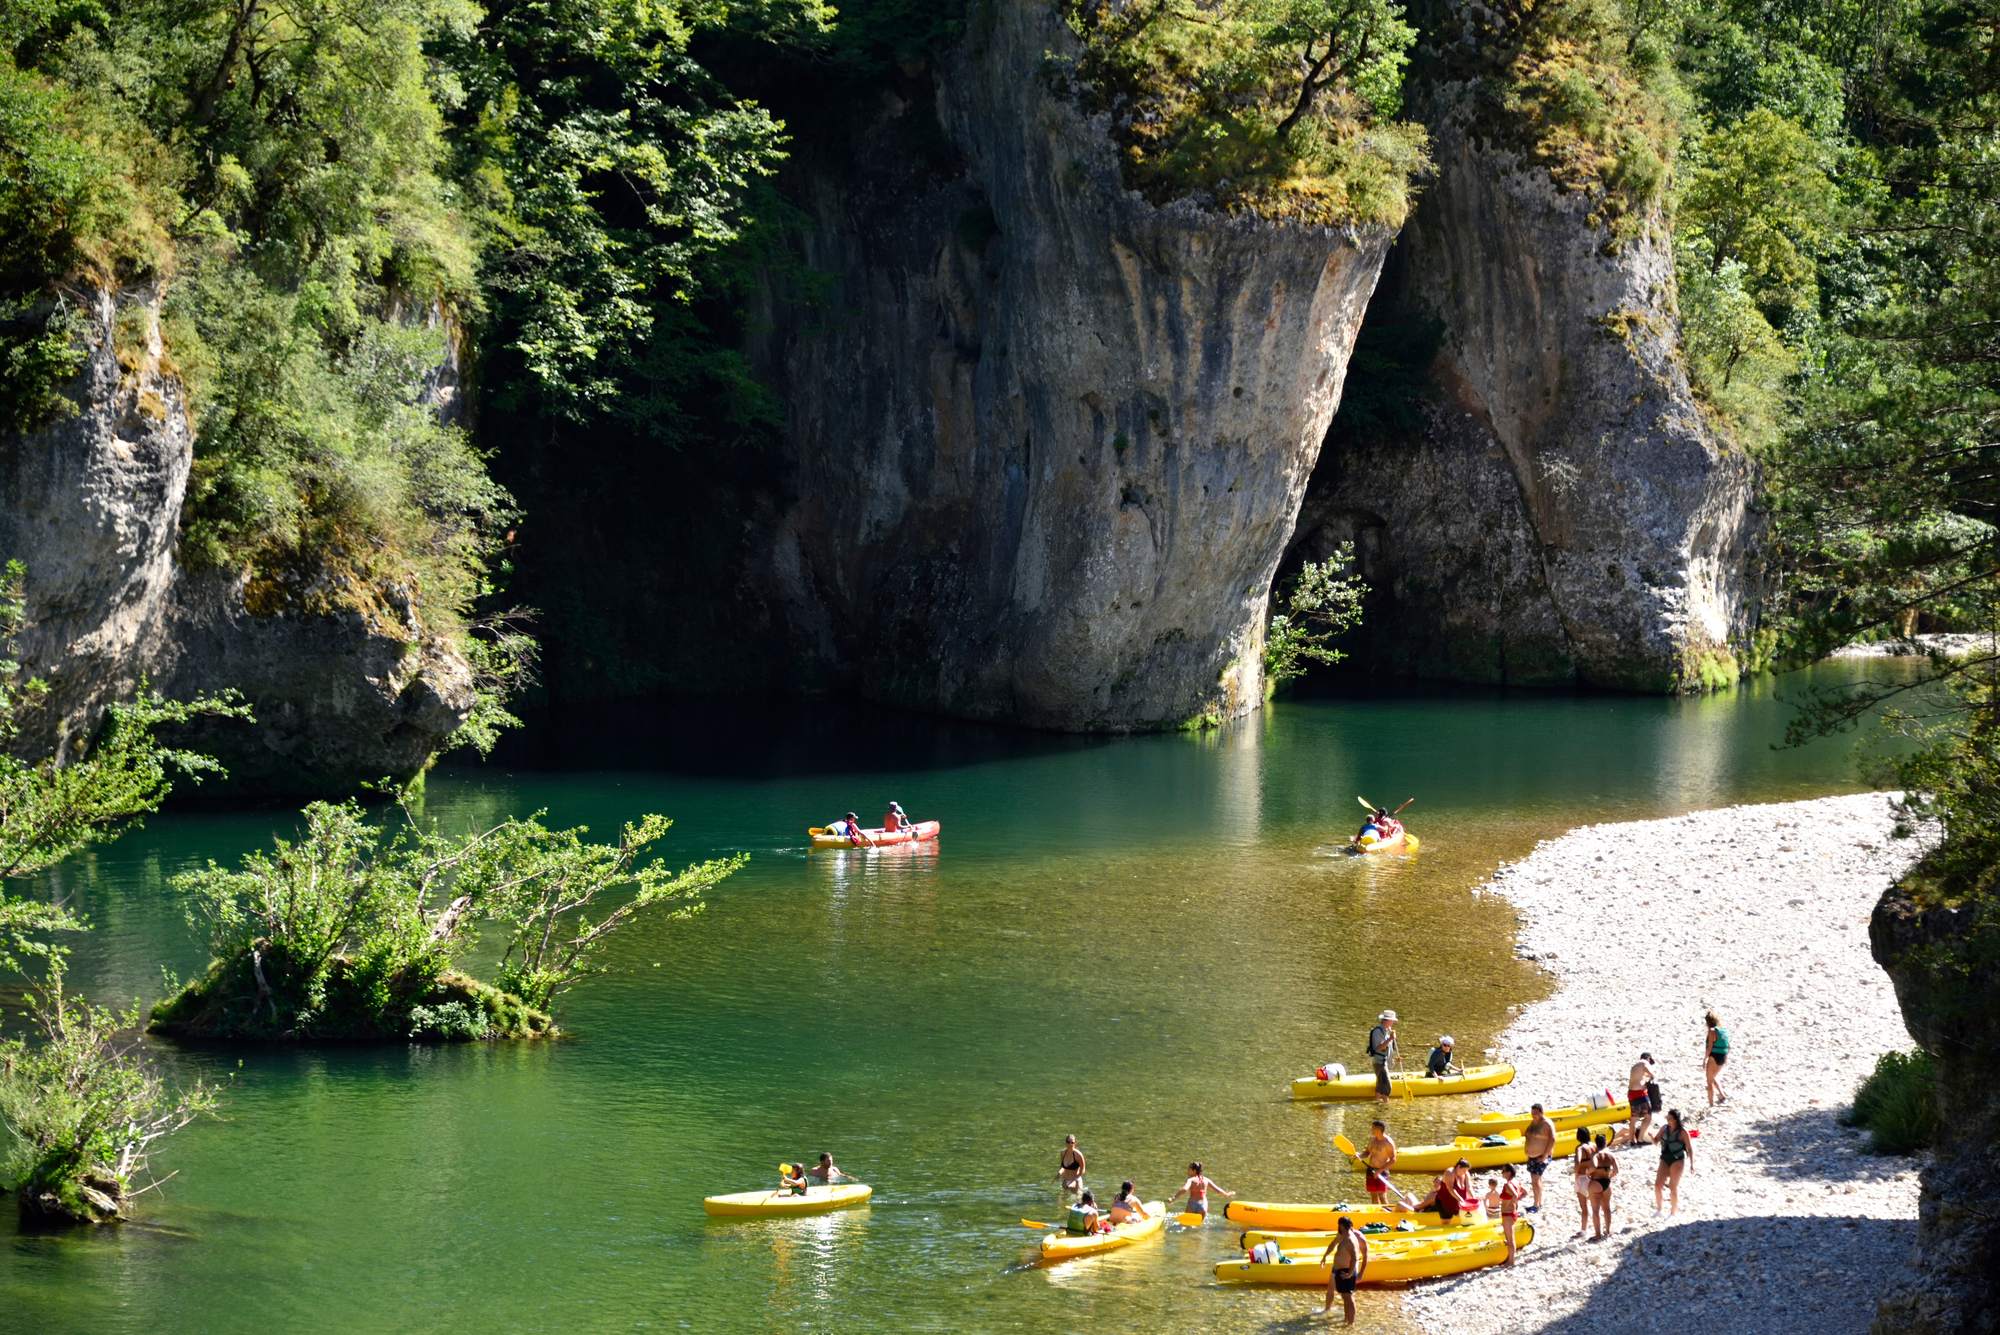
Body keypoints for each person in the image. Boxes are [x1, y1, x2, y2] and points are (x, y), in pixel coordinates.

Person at [1318, 1215, 1370, 1325]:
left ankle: (1350, 1323)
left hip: (1347, 1270)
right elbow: (1333, 1243)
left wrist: (1358, 1273)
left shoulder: (1356, 1238)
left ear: (1342, 1226)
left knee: (1348, 1296)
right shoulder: (1343, 1235)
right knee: (1335, 1291)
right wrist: (1325, 1256)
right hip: (1338, 1269)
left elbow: (1361, 1257)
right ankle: (1328, 1311)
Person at [1653, 1108, 1695, 1215]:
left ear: (1675, 1119)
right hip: (1664, 1158)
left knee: (1672, 1186)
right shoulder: (1664, 1128)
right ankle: (1659, 1209)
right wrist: (1652, 1137)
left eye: (1670, 1118)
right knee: (1657, 1185)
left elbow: (1689, 1148)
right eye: (1667, 1117)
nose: (1667, 1119)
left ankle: (1673, 1211)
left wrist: (1691, 1164)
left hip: (1677, 1159)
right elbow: (1656, 1140)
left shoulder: (1683, 1132)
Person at [1522, 1104, 1556, 1214]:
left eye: (1536, 1113)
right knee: (1536, 1179)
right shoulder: (1534, 1122)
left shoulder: (1546, 1123)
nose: (1534, 1115)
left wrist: (1545, 1155)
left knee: (1535, 1180)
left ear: (1541, 1112)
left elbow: (1552, 1139)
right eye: (1532, 1114)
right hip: (1532, 1156)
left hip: (1541, 1156)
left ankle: (1536, 1205)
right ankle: (1538, 1202)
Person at [1587, 1134, 1618, 1241]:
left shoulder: (1595, 1155)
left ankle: (1598, 1234)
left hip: (1596, 1182)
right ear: (1605, 1143)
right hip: (1607, 1183)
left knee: (1595, 1210)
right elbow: (1616, 1170)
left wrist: (1588, 1172)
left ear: (1596, 1144)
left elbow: (1594, 1166)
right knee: (1607, 1208)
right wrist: (1609, 1176)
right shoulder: (1611, 1155)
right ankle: (1608, 1231)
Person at [1361, 1121, 1397, 1206]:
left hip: (1382, 1171)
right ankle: (1376, 1216)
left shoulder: (1388, 1142)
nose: (1371, 1130)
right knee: (1373, 1196)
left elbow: (1393, 1159)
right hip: (1370, 1170)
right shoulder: (1372, 1140)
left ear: (1378, 1129)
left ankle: (1387, 1215)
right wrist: (1359, 1155)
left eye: (1373, 1128)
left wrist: (1379, 1171)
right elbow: (1367, 1152)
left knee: (1382, 1196)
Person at [1495, 1164, 1525, 1263]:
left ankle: (1511, 1261)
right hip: (1512, 1212)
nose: (1502, 1173)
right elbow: (1525, 1193)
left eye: (1503, 1171)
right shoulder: (1517, 1182)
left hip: (1507, 1213)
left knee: (1510, 1238)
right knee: (1510, 1237)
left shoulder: (1508, 1184)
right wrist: (1515, 1202)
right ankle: (1511, 1259)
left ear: (1509, 1172)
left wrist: (1513, 1201)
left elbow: (1515, 1195)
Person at [1367, 1010, 1400, 1100]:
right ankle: (1385, 1108)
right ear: (1386, 1020)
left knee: (1380, 1085)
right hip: (1380, 1062)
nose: (1393, 1022)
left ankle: (1377, 1102)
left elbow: (1388, 1048)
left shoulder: (1387, 1031)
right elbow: (1378, 1048)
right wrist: (1390, 1039)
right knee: (1387, 1087)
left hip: (1384, 1062)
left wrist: (1395, 1058)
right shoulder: (1377, 1031)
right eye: (1392, 1021)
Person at [1570, 1127, 1594, 1239]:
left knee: (1584, 1207)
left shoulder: (1580, 1148)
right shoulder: (1594, 1146)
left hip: (1582, 1178)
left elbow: (1577, 1162)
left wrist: (1576, 1174)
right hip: (1593, 1177)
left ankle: (1584, 1230)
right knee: (1596, 1205)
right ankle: (1598, 1228)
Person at [1628, 1052, 1658, 1141]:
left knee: (1633, 1119)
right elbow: (1652, 1074)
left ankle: (1632, 1140)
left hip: (1631, 1093)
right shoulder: (1645, 1063)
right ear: (1648, 1058)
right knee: (1648, 1117)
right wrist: (1650, 1078)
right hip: (1639, 1093)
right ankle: (1640, 1139)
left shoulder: (1635, 1066)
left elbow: (1637, 1078)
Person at [1705, 1011, 1730, 1106]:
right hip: (1723, 1056)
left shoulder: (1712, 1031)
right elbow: (1728, 1045)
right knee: (1713, 1077)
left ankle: (1711, 1104)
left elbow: (1710, 1047)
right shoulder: (1723, 1030)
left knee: (1709, 1081)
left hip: (1714, 1056)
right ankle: (1722, 1095)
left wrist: (1704, 1059)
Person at [1057, 1134, 1086, 1199]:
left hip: (1076, 1182)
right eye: (1068, 1142)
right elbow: (1062, 1167)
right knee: (1061, 1203)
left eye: (1072, 1142)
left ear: (1075, 1143)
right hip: (1065, 1181)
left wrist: (1074, 1180)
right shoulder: (1063, 1153)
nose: (1070, 1144)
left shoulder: (1078, 1155)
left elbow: (1083, 1170)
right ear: (1065, 1143)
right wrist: (1059, 1173)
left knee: (1078, 1202)